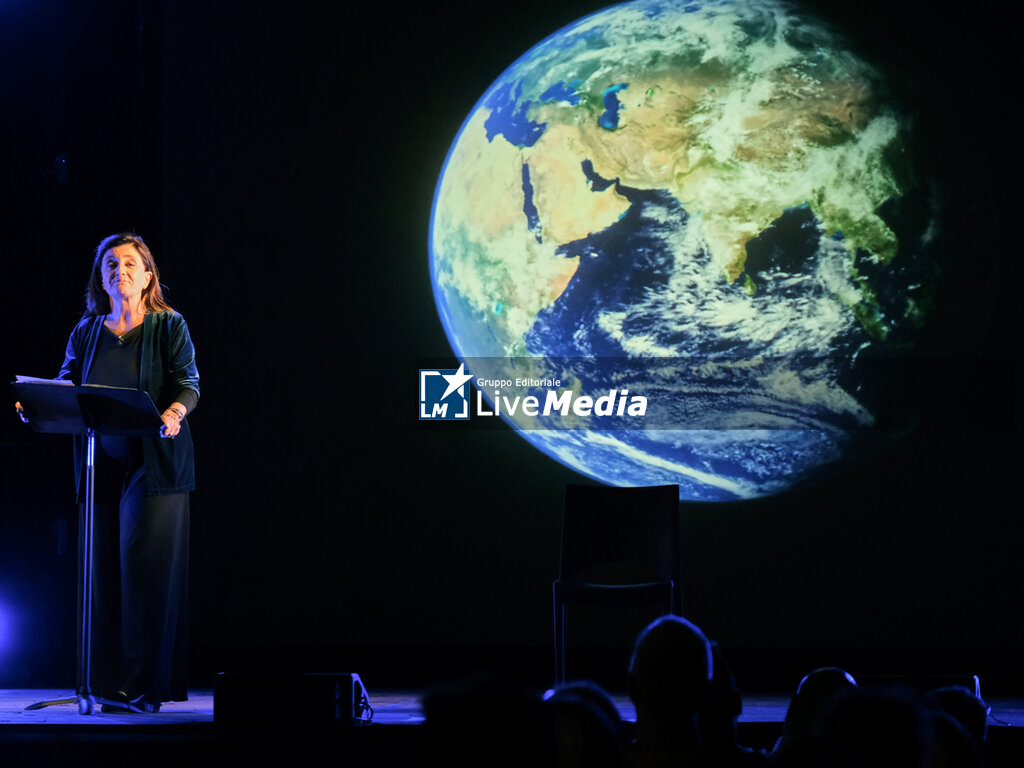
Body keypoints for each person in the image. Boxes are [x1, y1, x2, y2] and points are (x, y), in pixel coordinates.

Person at [27, 232, 199, 713]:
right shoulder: (86, 330)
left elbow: (189, 384)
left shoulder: (168, 326)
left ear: (147, 277)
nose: (118, 270)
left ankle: (142, 685)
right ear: (100, 278)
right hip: (100, 460)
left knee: (139, 566)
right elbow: (68, 380)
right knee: (102, 569)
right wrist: (39, 399)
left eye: (128, 263)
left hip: (156, 463)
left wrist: (173, 414)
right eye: (109, 264)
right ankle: (103, 683)